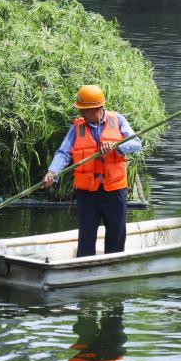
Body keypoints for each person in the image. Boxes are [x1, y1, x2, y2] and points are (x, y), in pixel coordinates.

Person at [43, 84, 142, 258]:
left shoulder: (117, 120)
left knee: (116, 234)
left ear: (97, 109)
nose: (81, 113)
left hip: (115, 190)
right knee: (86, 236)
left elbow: (136, 144)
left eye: (84, 110)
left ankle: (114, 269)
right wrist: (52, 172)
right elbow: (63, 152)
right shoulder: (77, 128)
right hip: (87, 193)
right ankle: (83, 269)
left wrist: (116, 146)